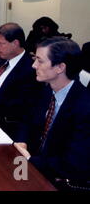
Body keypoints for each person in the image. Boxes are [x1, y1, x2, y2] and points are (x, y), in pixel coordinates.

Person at [14, 37, 90, 187]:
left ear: (60, 67)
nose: (34, 65)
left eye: (40, 61)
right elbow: (26, 121)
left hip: (59, 180)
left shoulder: (84, 106)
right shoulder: (46, 90)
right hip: (30, 167)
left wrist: (29, 161)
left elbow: (73, 163)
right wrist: (22, 142)